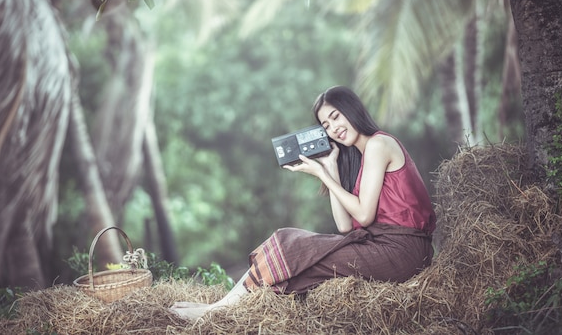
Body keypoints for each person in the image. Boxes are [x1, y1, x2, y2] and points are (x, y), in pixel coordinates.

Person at [171, 85, 436, 320]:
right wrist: (330, 167)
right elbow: (345, 225)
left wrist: (321, 175)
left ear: (352, 110)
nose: (334, 129)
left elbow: (364, 217)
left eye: (336, 117)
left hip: (403, 250)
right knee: (292, 248)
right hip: (381, 244)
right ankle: (220, 309)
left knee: (297, 250)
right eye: (326, 126)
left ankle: (215, 312)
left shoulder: (379, 144)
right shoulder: (360, 158)